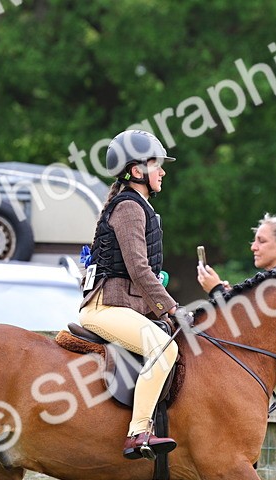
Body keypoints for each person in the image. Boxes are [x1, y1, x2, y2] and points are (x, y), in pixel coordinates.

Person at [79, 130, 181, 460]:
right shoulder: (129, 208)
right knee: (165, 349)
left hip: (118, 305)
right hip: (104, 308)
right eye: (156, 165)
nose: (163, 171)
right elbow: (138, 270)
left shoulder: (137, 206)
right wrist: (170, 307)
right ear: (137, 171)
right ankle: (138, 433)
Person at [197, 213, 276, 296]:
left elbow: (245, 326)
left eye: (261, 241)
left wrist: (216, 290)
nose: (253, 247)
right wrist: (228, 294)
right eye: (254, 241)